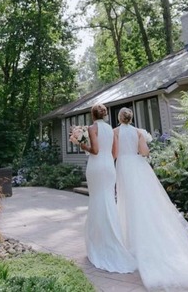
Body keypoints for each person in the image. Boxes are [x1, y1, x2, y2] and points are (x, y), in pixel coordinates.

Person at [113, 107, 188, 290]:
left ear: (119, 118)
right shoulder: (138, 132)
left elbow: (114, 153)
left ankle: (131, 242)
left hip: (123, 166)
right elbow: (144, 152)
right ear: (131, 118)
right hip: (138, 166)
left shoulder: (115, 132)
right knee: (146, 203)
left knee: (128, 203)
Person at [76, 103, 136, 273]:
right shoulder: (111, 128)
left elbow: (94, 150)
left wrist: (82, 146)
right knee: (108, 200)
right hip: (109, 166)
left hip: (97, 167)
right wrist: (106, 159)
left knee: (97, 201)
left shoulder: (92, 127)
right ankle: (113, 239)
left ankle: (101, 242)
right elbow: (115, 153)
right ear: (104, 114)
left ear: (93, 115)